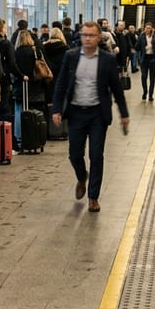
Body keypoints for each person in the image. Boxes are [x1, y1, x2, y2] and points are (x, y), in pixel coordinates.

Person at [51, 22, 130, 213]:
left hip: (97, 114)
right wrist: (56, 110)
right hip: (76, 113)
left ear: (99, 37)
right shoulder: (70, 57)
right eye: (84, 35)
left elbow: (116, 88)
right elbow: (61, 84)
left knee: (96, 156)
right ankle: (81, 176)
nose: (87, 38)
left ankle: (93, 197)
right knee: (75, 154)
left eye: (91, 35)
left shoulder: (107, 60)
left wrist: (124, 113)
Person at [12, 29, 46, 133]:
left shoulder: (16, 52)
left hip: (20, 84)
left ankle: (19, 135)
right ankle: (34, 135)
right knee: (34, 111)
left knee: (18, 110)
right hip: (35, 85)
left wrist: (21, 76)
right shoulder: (35, 51)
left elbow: (13, 67)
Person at [40, 26, 69, 103]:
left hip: (48, 74)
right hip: (61, 74)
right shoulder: (65, 47)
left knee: (49, 96)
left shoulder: (44, 47)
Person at [135, 22, 155, 101]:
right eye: (146, 28)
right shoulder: (141, 36)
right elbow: (137, 47)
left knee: (152, 78)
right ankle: (145, 91)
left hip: (152, 58)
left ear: (152, 28)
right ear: (144, 28)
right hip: (144, 59)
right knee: (144, 76)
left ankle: (151, 95)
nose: (148, 29)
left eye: (149, 28)